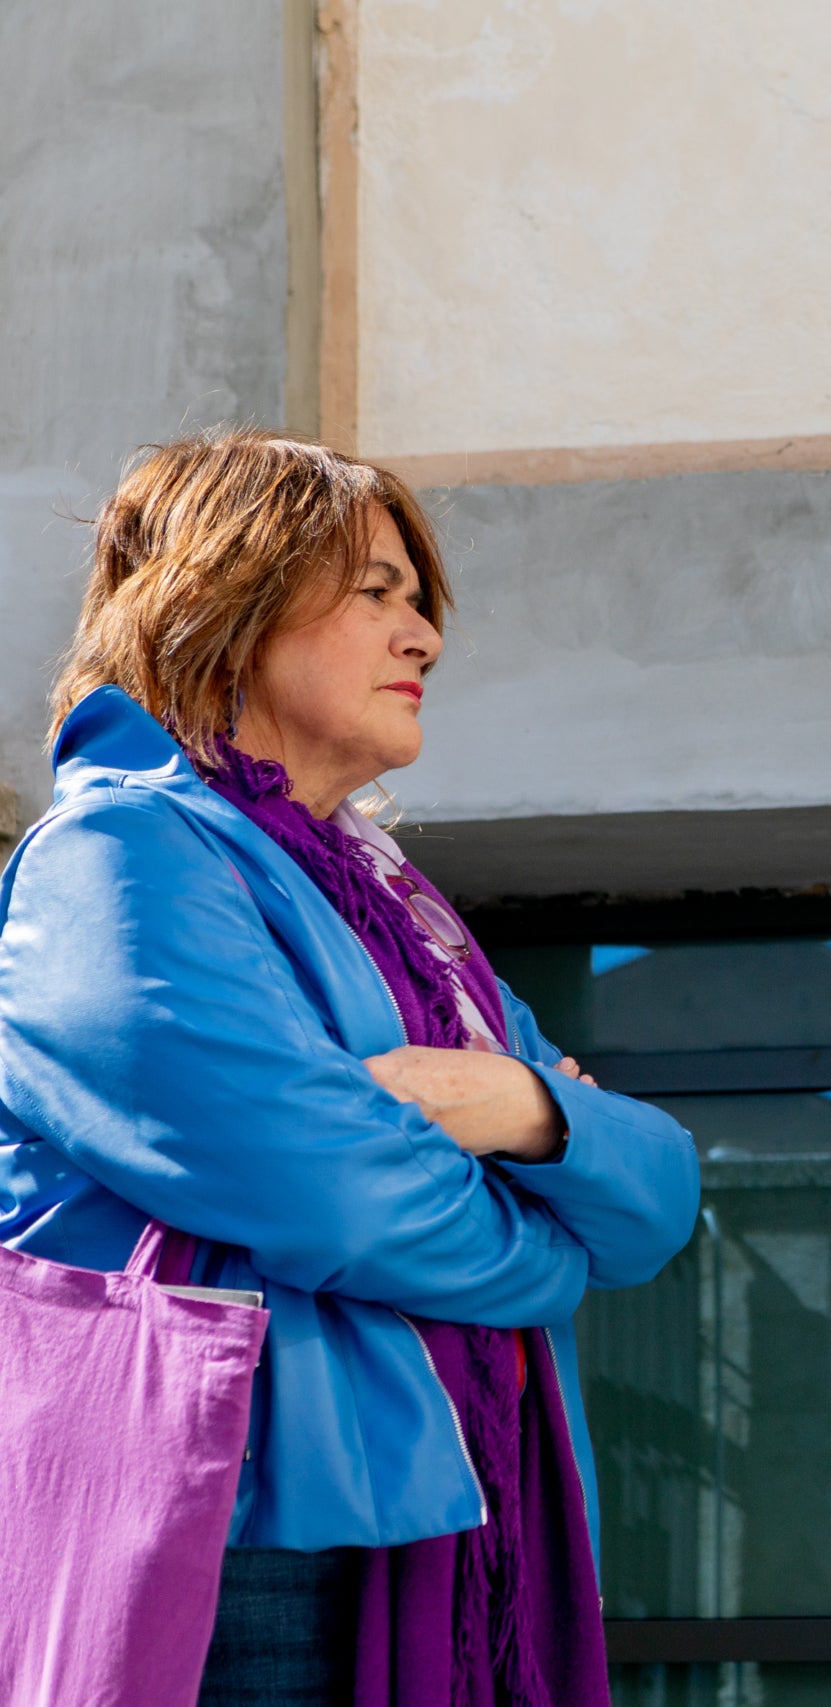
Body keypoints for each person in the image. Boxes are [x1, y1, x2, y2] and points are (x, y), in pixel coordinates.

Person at [0, 429, 701, 1703]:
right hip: (235, 1536)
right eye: (376, 590)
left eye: (417, 596)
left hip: (408, 1521)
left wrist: (520, 1106)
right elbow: (323, 1185)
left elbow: (656, 1193)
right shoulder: (115, 857)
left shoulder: (405, 916)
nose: (424, 633)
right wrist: (546, 1258)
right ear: (225, 597)